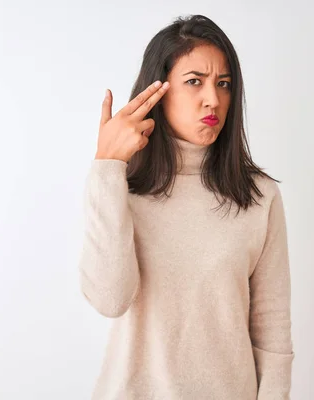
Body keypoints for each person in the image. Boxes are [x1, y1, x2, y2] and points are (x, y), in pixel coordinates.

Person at [78, 14, 295, 400]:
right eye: (194, 81)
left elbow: (272, 334)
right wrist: (107, 166)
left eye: (224, 84)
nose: (213, 99)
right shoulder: (122, 188)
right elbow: (110, 300)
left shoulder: (259, 197)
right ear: (157, 92)